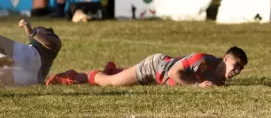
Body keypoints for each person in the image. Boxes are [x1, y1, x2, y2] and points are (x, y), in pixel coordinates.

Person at [46, 46, 247, 88]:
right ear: (225, 58)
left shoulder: (219, 79)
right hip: (155, 67)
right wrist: (196, 86)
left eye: (241, 69)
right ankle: (74, 76)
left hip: (159, 73)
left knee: (122, 77)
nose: (237, 71)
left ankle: (114, 69)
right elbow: (175, 72)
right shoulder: (202, 59)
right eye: (236, 64)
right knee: (111, 84)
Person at [0, 19, 61, 88]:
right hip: (29, 78)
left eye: (38, 28)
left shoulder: (51, 39)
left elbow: (53, 43)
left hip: (29, 59)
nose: (35, 29)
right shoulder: (39, 51)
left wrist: (32, 32)